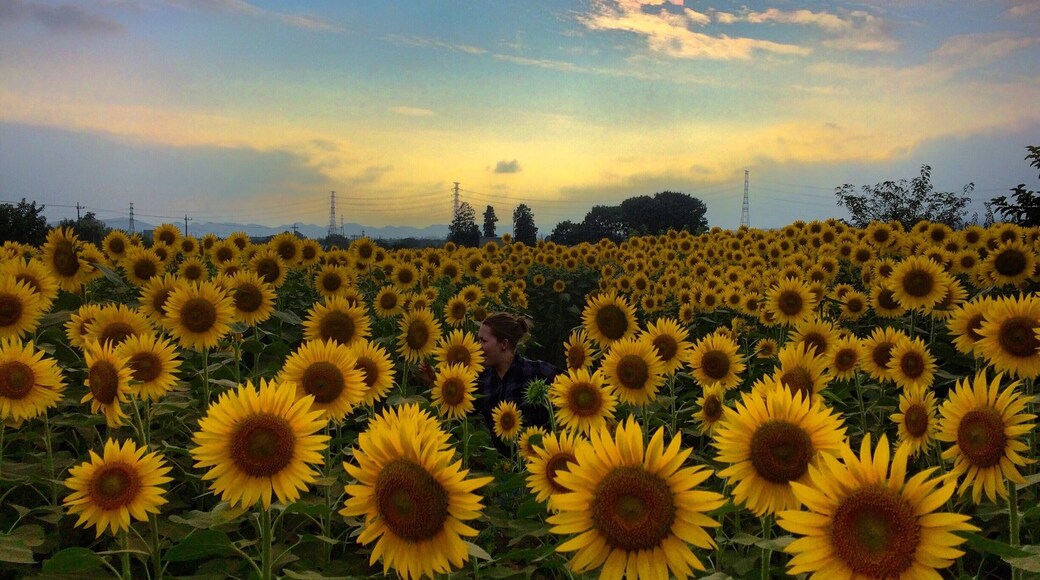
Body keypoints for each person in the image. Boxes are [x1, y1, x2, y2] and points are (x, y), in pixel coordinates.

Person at [420, 312, 559, 452]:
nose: (478, 346)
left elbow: (570, 387)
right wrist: (434, 381)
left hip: (541, 459)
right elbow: (462, 408)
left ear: (504, 344)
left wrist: (560, 431)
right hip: (505, 467)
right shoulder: (482, 379)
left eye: (483, 341)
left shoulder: (536, 371)